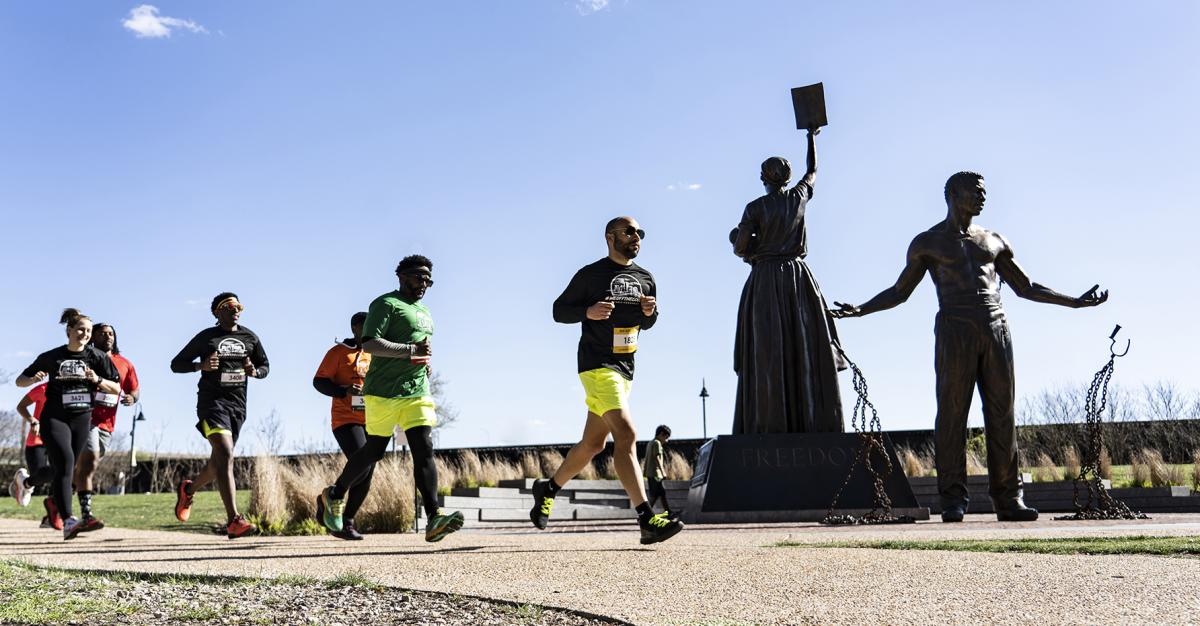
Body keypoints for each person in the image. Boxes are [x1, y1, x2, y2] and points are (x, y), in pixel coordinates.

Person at [831, 171, 1108, 522]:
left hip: (995, 327)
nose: (983, 197)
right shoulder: (927, 242)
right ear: (952, 194)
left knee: (1002, 414)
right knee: (951, 414)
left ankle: (1008, 499)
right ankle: (953, 500)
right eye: (975, 191)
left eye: (984, 192)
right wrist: (861, 309)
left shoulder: (993, 240)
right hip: (954, 326)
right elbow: (900, 291)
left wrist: (1075, 302)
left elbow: (1026, 286)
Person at [533, 216, 684, 544]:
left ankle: (548, 489)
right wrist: (587, 312)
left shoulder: (645, 278)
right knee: (627, 434)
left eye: (640, 233)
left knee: (593, 444)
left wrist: (649, 313)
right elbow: (559, 311)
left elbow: (651, 322)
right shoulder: (590, 274)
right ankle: (646, 518)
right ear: (610, 237)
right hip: (597, 365)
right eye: (629, 232)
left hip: (625, 369)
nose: (636, 237)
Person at [316, 256, 464, 543]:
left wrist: (422, 361)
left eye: (428, 280)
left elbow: (418, 348)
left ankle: (434, 517)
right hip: (382, 392)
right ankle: (334, 494)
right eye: (419, 278)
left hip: (416, 390)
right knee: (373, 452)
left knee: (424, 448)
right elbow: (371, 342)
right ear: (401, 277)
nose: (424, 284)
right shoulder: (385, 304)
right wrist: (410, 350)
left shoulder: (425, 312)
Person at [729, 127, 844, 434]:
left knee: (767, 351)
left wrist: (748, 249)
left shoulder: (755, 207)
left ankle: (767, 421)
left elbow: (741, 247)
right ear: (787, 178)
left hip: (765, 279)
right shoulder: (798, 197)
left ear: (764, 178)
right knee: (805, 345)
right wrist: (811, 137)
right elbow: (814, 170)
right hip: (797, 277)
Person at [12, 309, 121, 540]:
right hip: (55, 417)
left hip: (82, 417)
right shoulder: (52, 357)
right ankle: (69, 520)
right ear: (69, 331)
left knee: (67, 468)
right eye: (81, 329)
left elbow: (116, 388)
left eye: (89, 331)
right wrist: (33, 379)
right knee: (66, 463)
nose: (85, 334)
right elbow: (19, 381)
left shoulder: (97, 357)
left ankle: (26, 481)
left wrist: (98, 380)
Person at [170, 292, 269, 538]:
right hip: (211, 403)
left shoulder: (250, 337)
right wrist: (200, 366)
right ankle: (234, 520)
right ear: (217, 311)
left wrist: (254, 371)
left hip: (238, 406)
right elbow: (176, 363)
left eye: (239, 306)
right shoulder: (207, 337)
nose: (236, 310)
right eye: (229, 306)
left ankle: (189, 489)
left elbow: (265, 366)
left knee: (219, 462)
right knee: (225, 453)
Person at [312, 312, 373, 540]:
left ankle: (345, 523)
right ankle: (334, 494)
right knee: (362, 461)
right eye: (368, 326)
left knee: (367, 475)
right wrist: (343, 390)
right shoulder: (337, 352)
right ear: (356, 328)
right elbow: (319, 381)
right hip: (346, 418)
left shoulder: (377, 353)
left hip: (374, 419)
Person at [74, 323, 140, 532]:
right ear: (93, 336)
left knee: (83, 467)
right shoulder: (85, 358)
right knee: (89, 462)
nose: (107, 336)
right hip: (85, 417)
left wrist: (131, 398)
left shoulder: (124, 363)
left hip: (107, 424)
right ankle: (87, 516)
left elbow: (135, 390)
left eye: (111, 333)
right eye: (102, 333)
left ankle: (55, 500)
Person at [16, 383, 61, 530]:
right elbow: (21, 406)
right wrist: (33, 420)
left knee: (62, 474)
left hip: (59, 440)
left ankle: (51, 517)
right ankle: (24, 482)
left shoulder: (74, 390)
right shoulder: (43, 389)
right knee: (41, 475)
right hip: (37, 440)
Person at [643, 425, 673, 518]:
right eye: (666, 437)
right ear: (661, 434)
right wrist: (663, 471)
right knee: (655, 495)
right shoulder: (657, 443)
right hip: (655, 473)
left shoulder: (650, 443)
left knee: (660, 493)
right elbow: (657, 458)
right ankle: (644, 516)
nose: (666, 440)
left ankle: (669, 513)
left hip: (650, 473)